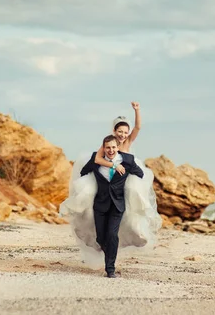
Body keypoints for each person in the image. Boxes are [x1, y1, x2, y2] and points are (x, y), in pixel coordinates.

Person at [59, 102, 162, 272]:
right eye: (119, 132)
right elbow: (97, 160)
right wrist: (112, 165)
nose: (122, 135)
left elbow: (138, 126)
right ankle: (83, 216)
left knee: (134, 190)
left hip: (127, 172)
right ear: (114, 132)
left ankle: (138, 218)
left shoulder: (128, 141)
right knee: (89, 191)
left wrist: (137, 110)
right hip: (111, 171)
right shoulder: (108, 145)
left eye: (124, 132)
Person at [78, 134, 144, 277]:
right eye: (108, 147)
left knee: (112, 235)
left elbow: (140, 174)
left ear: (117, 147)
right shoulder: (96, 160)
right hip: (100, 204)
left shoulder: (128, 161)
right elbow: (83, 172)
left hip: (117, 204)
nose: (111, 150)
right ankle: (111, 256)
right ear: (104, 148)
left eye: (113, 147)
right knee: (101, 238)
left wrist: (133, 189)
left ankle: (110, 269)